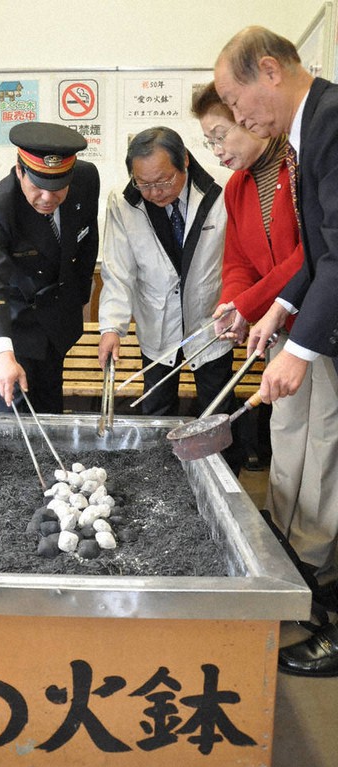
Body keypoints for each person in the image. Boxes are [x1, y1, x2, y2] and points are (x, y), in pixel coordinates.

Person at [215, 26, 338, 677]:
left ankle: (325, 609)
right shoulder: (309, 127)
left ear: (269, 70)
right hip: (312, 317)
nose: (239, 117)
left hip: (328, 332)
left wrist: (302, 347)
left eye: (237, 105)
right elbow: (320, 256)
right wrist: (281, 312)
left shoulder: (330, 122)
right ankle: (312, 595)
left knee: (324, 457)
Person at [192, 82, 338, 580]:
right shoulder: (237, 187)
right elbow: (237, 261)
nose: (217, 151)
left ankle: (313, 561)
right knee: (286, 431)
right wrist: (234, 302)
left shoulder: (296, 168)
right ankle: (281, 541)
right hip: (276, 330)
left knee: (323, 438)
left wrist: (253, 304)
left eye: (221, 134)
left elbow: (311, 256)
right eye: (209, 142)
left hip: (319, 325)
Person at [97, 127, 239, 463]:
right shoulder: (123, 200)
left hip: (211, 323)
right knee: (157, 409)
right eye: (143, 184)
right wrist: (111, 328)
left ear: (185, 162)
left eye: (163, 181)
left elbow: (240, 258)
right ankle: (159, 476)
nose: (154, 192)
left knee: (216, 412)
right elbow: (118, 271)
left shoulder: (223, 189)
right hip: (157, 323)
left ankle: (221, 483)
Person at [0, 121, 99, 413]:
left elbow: (87, 239)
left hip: (56, 319)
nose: (48, 198)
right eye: (38, 186)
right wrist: (3, 356)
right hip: (13, 319)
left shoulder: (87, 179)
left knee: (51, 409)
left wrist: (76, 298)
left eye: (58, 186)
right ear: (19, 171)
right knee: (18, 416)